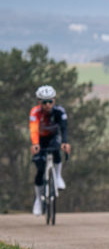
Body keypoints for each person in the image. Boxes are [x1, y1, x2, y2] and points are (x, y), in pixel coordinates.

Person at [29, 85, 70, 216]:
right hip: (40, 140)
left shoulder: (59, 111)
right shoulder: (35, 112)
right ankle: (38, 200)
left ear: (54, 101)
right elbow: (33, 129)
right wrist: (35, 144)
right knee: (40, 169)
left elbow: (64, 128)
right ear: (39, 102)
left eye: (50, 101)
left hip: (53, 138)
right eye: (44, 102)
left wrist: (65, 142)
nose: (47, 105)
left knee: (57, 149)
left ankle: (57, 176)